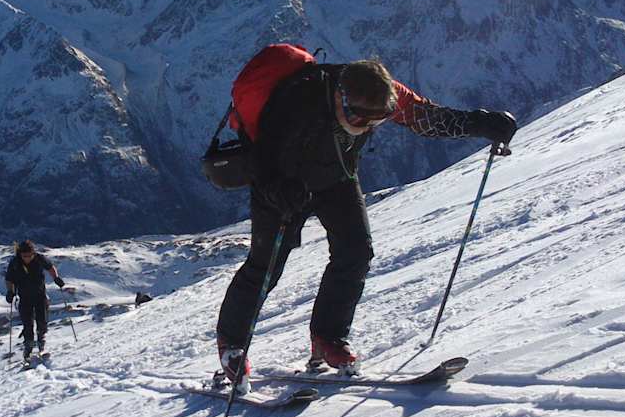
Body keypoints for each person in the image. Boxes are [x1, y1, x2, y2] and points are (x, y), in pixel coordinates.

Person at [217, 56, 516, 387]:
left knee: (356, 251)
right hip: (286, 182)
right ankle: (233, 345)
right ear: (340, 97)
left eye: (380, 118)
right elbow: (262, 158)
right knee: (266, 265)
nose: (367, 125)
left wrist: (481, 123)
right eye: (359, 116)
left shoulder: (382, 93)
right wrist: (277, 190)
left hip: (336, 177)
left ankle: (328, 338)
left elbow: (426, 118)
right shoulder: (299, 100)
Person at [5, 239, 66, 359]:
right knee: (27, 324)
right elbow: (9, 278)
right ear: (20, 254)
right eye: (24, 256)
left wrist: (56, 278)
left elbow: (50, 267)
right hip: (24, 297)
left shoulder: (39, 258)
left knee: (41, 320)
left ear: (33, 253)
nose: (27, 258)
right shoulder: (15, 262)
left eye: (29, 255)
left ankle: (41, 342)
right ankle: (28, 348)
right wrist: (10, 291)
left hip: (40, 296)